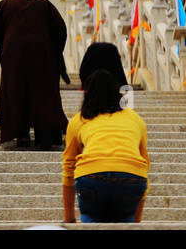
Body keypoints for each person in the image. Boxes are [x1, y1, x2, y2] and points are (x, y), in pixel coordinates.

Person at [0, 0, 68, 149]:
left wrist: (5, 52)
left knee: (17, 93)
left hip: (14, 57)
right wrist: (54, 52)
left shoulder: (5, 4)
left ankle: (22, 136)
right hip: (43, 56)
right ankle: (44, 136)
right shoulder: (43, 2)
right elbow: (61, 29)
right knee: (43, 94)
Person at [62, 69, 149, 224]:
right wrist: (135, 223)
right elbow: (143, 165)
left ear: (87, 93)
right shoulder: (136, 120)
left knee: (92, 219)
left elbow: (69, 168)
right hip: (131, 179)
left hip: (91, 178)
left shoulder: (79, 119)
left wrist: (69, 220)